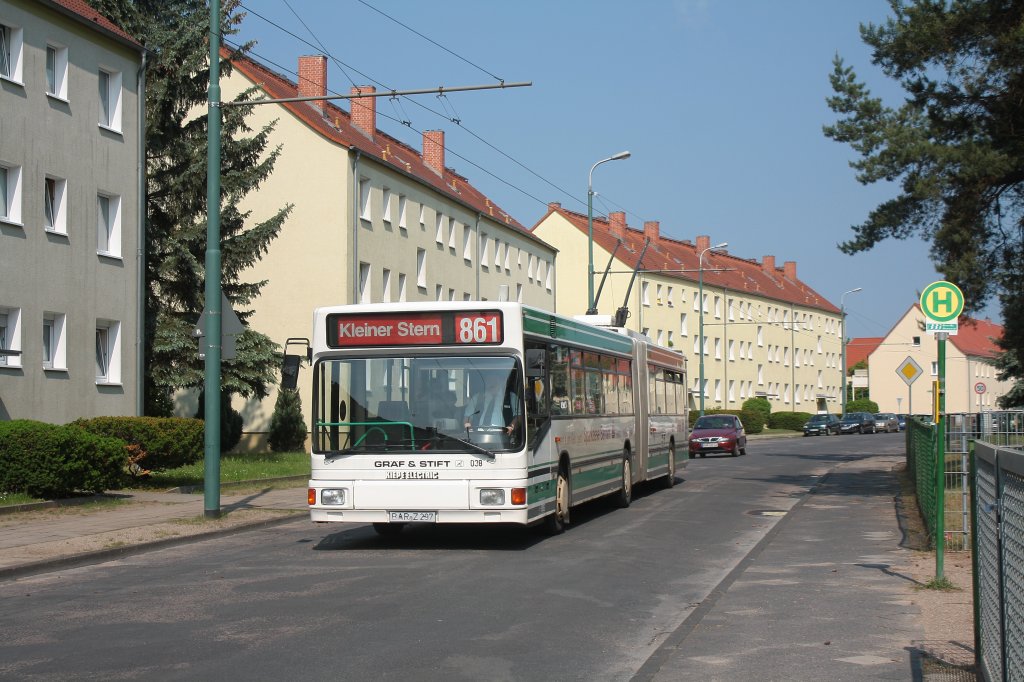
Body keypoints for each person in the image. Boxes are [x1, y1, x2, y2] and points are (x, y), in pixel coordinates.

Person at [464, 370, 521, 436]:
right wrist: (468, 428)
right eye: (488, 380)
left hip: (502, 436)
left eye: (494, 380)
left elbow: (519, 417)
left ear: (502, 381)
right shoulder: (478, 397)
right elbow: (467, 416)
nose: (491, 382)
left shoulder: (511, 397)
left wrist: (511, 427)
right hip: (479, 435)